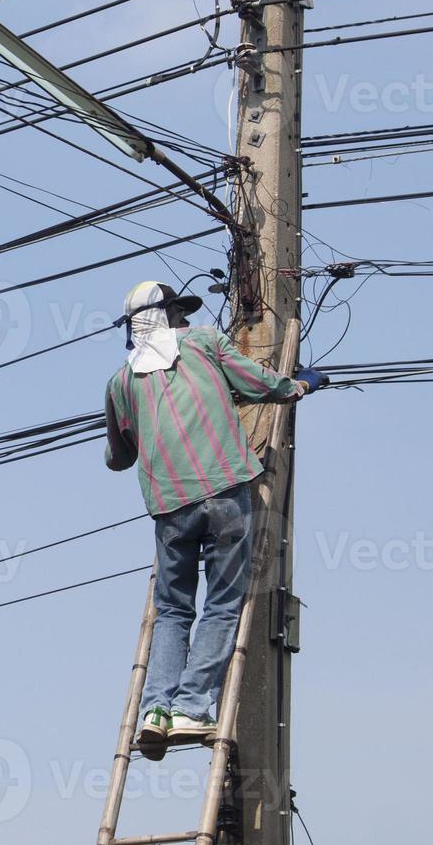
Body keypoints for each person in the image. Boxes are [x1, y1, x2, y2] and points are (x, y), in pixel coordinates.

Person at [103, 281, 326, 761]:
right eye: (179, 313)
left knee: (174, 609)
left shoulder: (121, 382)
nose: (185, 320)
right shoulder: (203, 343)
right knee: (223, 604)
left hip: (170, 508)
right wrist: (301, 383)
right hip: (224, 489)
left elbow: (118, 458)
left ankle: (155, 710)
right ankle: (191, 706)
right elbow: (260, 385)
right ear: (171, 317)